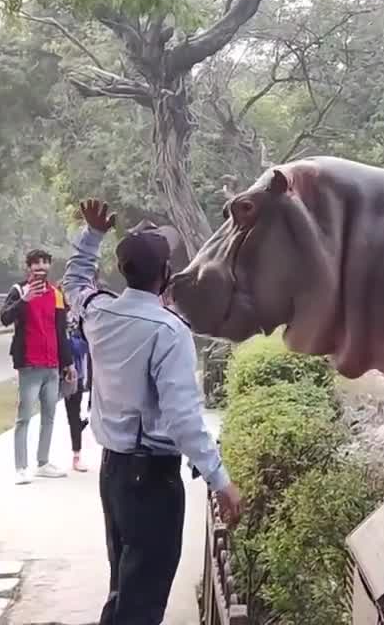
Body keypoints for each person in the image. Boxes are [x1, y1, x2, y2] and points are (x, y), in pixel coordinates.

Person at [63, 199, 242, 625]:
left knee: (124, 587)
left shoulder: (98, 311)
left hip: (114, 473)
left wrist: (92, 235)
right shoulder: (168, 331)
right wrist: (221, 480)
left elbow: (73, 280)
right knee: (141, 603)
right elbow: (183, 420)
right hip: (152, 481)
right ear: (165, 273)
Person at [0, 248, 75, 484]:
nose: (40, 268)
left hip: (52, 365)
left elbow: (60, 331)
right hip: (29, 365)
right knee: (24, 417)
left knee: (50, 416)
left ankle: (43, 462)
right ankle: (20, 467)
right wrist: (24, 300)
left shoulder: (56, 294)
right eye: (36, 264)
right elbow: (4, 317)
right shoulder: (19, 290)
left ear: (49, 267)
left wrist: (68, 363)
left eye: (44, 264)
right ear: (28, 267)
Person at [66, 314, 91, 473]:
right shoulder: (60, 313)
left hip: (76, 376)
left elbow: (83, 347)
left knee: (73, 414)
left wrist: (68, 341)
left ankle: (77, 456)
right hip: (56, 371)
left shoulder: (83, 319)